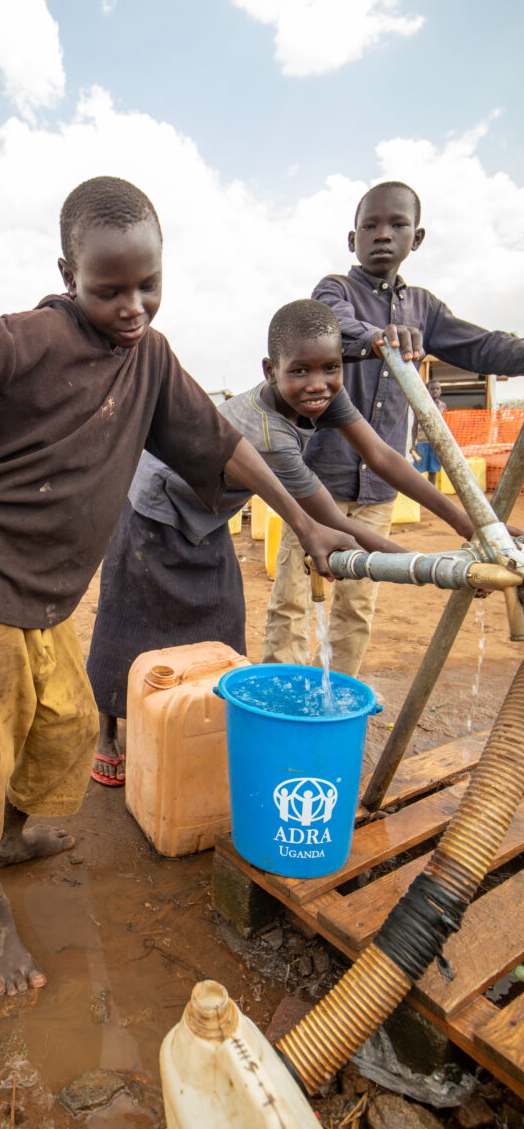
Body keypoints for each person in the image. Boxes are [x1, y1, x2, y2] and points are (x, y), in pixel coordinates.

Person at [0, 176, 358, 1002]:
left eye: (148, 285)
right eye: (108, 288)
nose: (133, 306)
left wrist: (304, 523)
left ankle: (6, 842)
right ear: (66, 271)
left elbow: (220, 443)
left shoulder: (149, 360)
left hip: (48, 595)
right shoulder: (25, 340)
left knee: (67, 725)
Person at [86, 298, 478, 774]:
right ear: (271, 370)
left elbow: (383, 456)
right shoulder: (269, 436)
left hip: (208, 512)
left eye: (330, 368)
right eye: (301, 371)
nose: (318, 385)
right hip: (153, 506)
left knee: (221, 619)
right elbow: (335, 523)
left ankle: (200, 723)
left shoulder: (325, 397)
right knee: (129, 618)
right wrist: (441, 569)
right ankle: (109, 733)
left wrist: (469, 524)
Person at [263, 180, 524, 676]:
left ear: (417, 239)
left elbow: (481, 347)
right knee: (295, 598)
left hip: (379, 490)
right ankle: (282, 693)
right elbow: (335, 323)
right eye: (370, 225)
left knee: (358, 603)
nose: (383, 234)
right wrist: (376, 337)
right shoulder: (336, 290)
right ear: (352, 238)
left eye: (397, 225)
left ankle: (341, 694)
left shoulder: (424, 308)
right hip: (317, 480)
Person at [411, 379, 448, 484]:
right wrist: (413, 444)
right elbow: (415, 426)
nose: (435, 391)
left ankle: (431, 494)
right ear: (427, 390)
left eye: (438, 388)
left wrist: (443, 442)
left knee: (433, 470)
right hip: (422, 443)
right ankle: (419, 492)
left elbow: (442, 426)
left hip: (435, 443)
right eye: (432, 389)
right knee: (419, 471)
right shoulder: (420, 405)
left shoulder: (443, 406)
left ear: (441, 391)